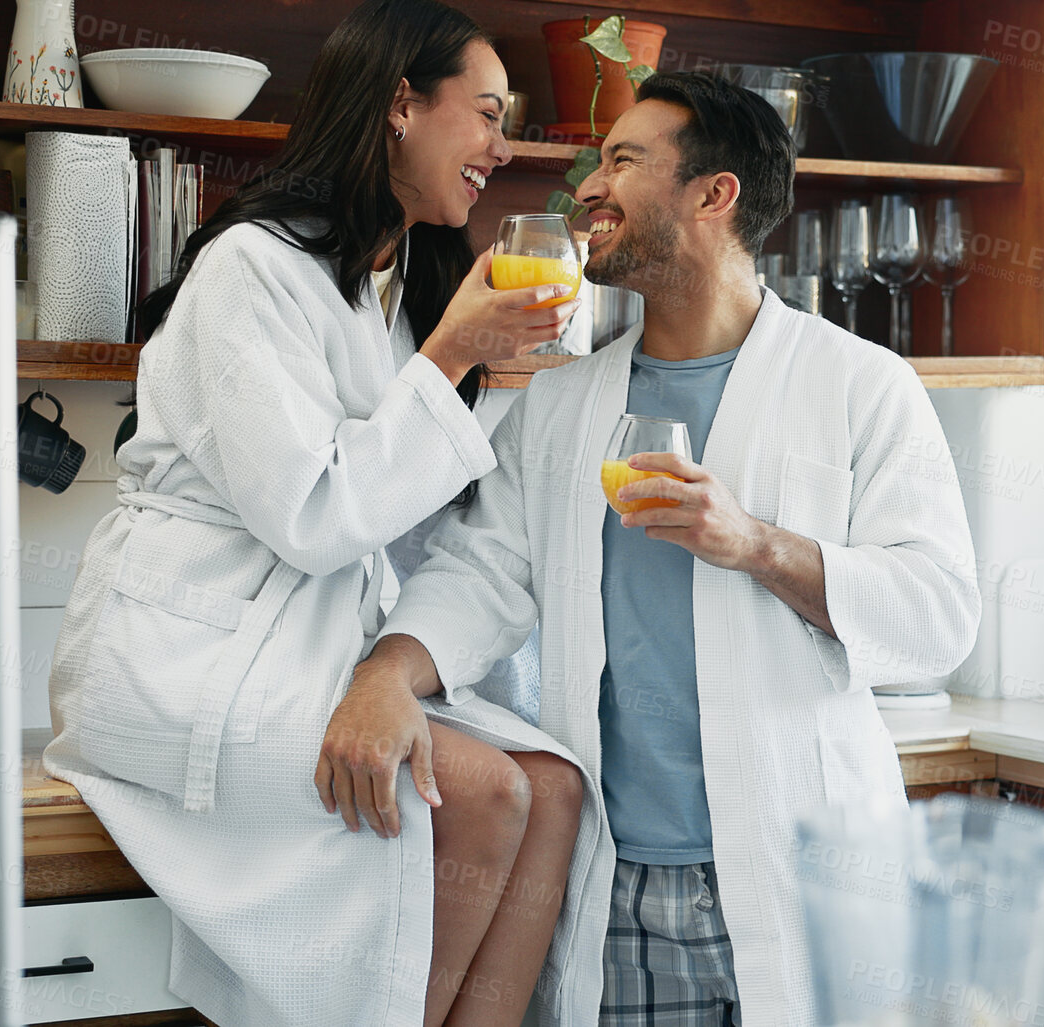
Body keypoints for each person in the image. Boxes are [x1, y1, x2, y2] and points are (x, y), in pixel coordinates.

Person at [320, 72, 982, 1025]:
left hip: (802, 876)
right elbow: (478, 576)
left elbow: (938, 615)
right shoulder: (558, 406)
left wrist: (753, 543)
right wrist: (386, 672)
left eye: (624, 161)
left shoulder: (861, 387)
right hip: (614, 886)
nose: (588, 185)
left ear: (715, 196)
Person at [41, 2, 607, 1024]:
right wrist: (452, 359)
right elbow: (312, 514)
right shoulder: (250, 268)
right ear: (400, 104)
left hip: (308, 650)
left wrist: (399, 667)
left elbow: (424, 528)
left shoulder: (392, 292)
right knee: (484, 794)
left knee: (555, 790)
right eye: (483, 113)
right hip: (183, 663)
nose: (501, 146)